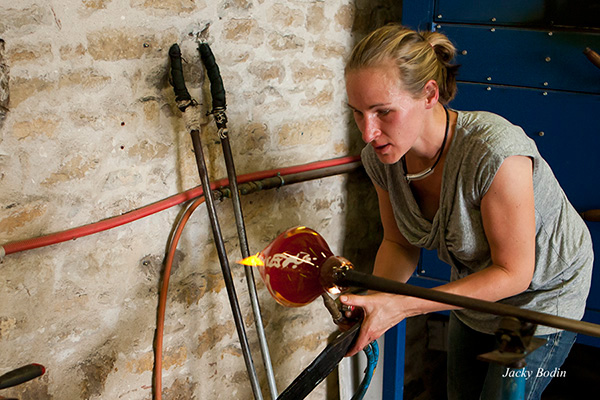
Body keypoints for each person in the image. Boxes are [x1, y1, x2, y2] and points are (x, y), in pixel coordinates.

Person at [339, 24, 593, 400]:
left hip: (537, 298)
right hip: (476, 289)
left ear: (429, 94)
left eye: (383, 112)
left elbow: (514, 272)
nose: (367, 132)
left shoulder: (493, 152)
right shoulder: (382, 159)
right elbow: (398, 243)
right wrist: (376, 299)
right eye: (358, 113)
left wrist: (403, 306)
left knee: (503, 396)